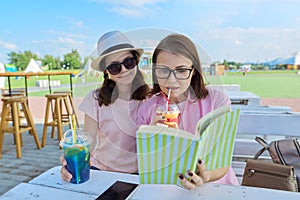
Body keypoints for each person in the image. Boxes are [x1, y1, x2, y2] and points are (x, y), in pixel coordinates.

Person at [137, 33, 239, 189]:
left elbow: (223, 162)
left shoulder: (217, 101)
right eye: (163, 71)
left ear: (194, 72)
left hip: (216, 187)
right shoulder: (147, 107)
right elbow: (147, 164)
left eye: (182, 70)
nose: (171, 80)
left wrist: (207, 176)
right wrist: (152, 139)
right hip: (168, 187)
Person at [60, 31, 150, 181]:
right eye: (114, 67)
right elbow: (89, 140)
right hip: (101, 171)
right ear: (106, 72)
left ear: (137, 61)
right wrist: (74, 159)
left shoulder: (151, 98)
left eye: (129, 62)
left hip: (140, 175)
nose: (124, 70)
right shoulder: (95, 99)